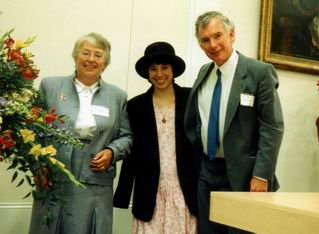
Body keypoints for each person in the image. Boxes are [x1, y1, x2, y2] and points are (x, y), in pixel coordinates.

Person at [184, 11, 284, 234]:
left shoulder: (259, 72)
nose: (213, 44)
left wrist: (261, 175)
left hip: (245, 177)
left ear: (232, 34)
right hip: (208, 172)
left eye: (218, 36)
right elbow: (196, 119)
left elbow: (272, 127)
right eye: (205, 40)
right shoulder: (204, 72)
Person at [28, 32, 133, 234]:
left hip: (95, 183)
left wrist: (112, 152)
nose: (91, 60)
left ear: (105, 63)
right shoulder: (50, 87)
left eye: (98, 55)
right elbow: (32, 129)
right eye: (86, 53)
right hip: (53, 180)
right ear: (76, 57)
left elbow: (127, 136)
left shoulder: (118, 96)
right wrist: (38, 165)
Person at [113, 42, 198, 233]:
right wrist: (123, 195)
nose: (159, 74)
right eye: (153, 69)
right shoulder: (136, 106)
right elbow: (131, 153)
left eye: (165, 67)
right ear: (147, 73)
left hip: (185, 192)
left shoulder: (191, 99)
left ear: (173, 70)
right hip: (150, 193)